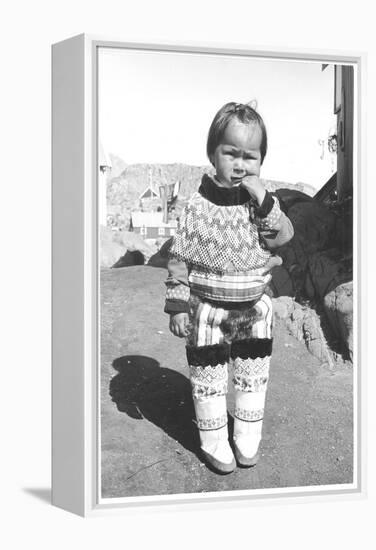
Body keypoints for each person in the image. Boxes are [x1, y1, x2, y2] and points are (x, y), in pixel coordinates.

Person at [164, 102, 294, 474]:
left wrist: (266, 202)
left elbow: (282, 237)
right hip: (207, 309)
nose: (240, 165)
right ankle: (214, 440)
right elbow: (180, 257)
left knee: (253, 377)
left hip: (254, 308)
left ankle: (247, 435)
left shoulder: (261, 205)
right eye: (230, 153)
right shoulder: (196, 205)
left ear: (261, 161)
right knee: (209, 378)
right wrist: (176, 306)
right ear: (212, 154)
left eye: (250, 157)